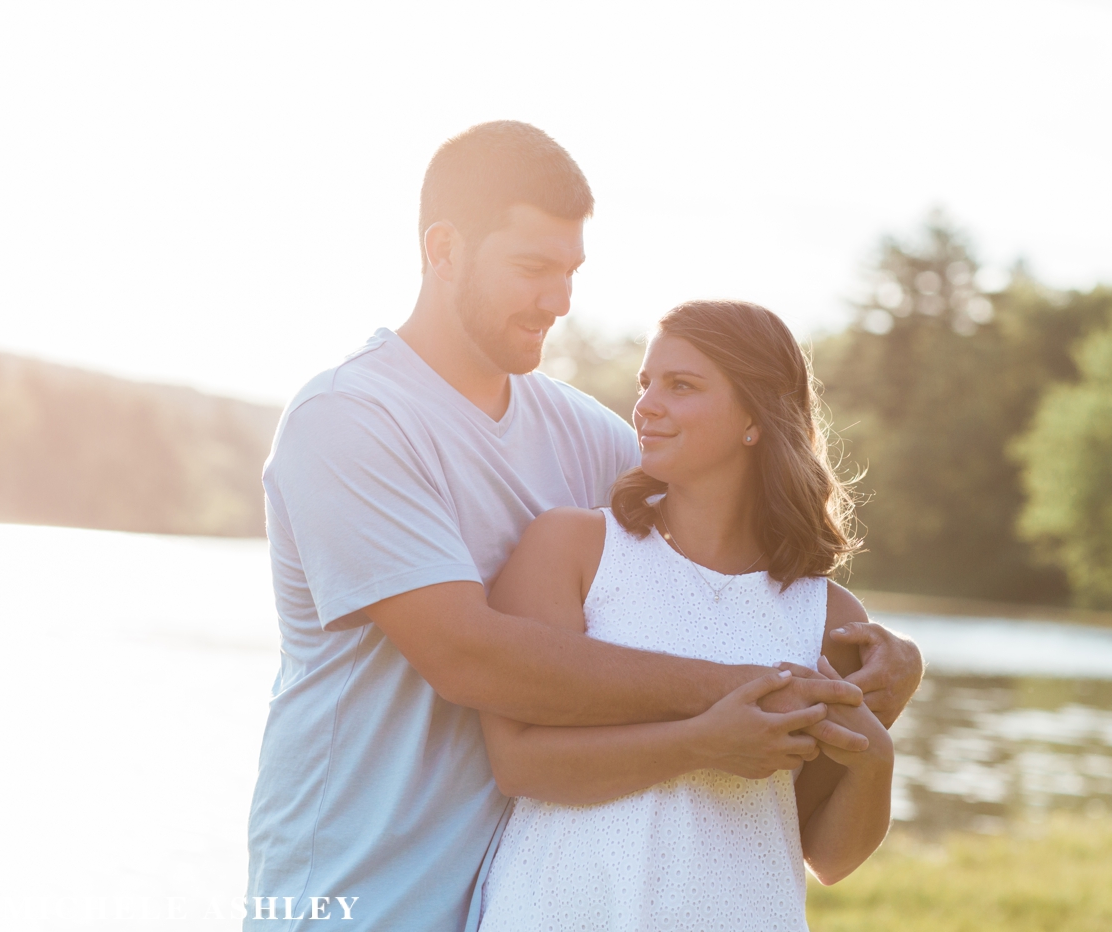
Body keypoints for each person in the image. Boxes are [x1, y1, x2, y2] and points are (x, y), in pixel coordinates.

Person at [245, 121, 923, 932]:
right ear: (444, 248)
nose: (559, 300)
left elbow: (722, 564)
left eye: (570, 271)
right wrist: (750, 696)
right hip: (351, 897)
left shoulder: (591, 438)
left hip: (509, 892)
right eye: (533, 267)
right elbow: (467, 655)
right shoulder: (351, 420)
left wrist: (884, 662)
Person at [476, 300, 897, 931]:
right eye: (646, 383)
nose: (645, 405)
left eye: (681, 386)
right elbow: (521, 764)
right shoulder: (571, 549)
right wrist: (701, 743)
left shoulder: (828, 614)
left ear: (755, 417)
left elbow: (827, 854)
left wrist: (878, 755)